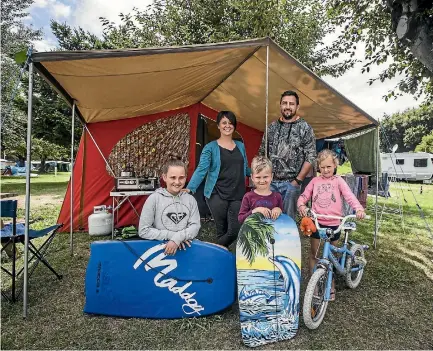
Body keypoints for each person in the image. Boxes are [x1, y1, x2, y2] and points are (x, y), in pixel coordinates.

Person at [297, 149, 366, 301]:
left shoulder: (339, 181)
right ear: (318, 167)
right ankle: (313, 284)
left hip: (335, 223)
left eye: (329, 167)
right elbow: (303, 196)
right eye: (322, 167)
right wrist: (302, 205)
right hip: (317, 222)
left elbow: (350, 197)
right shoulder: (314, 181)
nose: (326, 170)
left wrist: (359, 208)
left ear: (335, 165)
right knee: (314, 253)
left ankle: (331, 284)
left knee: (332, 256)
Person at [185, 111, 250, 248]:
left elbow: (245, 168)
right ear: (219, 126)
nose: (227, 125)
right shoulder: (210, 148)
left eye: (230, 123)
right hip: (216, 194)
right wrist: (190, 188)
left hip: (237, 194)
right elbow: (202, 169)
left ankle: (212, 251)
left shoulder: (240, 146)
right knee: (222, 231)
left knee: (234, 230)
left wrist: (260, 176)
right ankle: (222, 259)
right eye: (224, 123)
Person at [258, 90, 316, 220]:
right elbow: (262, 154)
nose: (288, 106)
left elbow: (311, 156)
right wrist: (264, 179)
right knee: (268, 219)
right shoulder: (271, 128)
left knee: (287, 221)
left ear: (297, 107)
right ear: (280, 105)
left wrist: (297, 181)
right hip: (271, 183)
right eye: (284, 103)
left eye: (291, 103)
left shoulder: (305, 128)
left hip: (291, 184)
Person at [138, 158, 200, 256]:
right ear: (164, 177)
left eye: (181, 177)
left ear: (186, 177)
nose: (177, 182)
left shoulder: (191, 200)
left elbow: (195, 227)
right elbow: (143, 231)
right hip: (160, 250)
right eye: (173, 177)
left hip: (186, 249)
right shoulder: (154, 199)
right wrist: (174, 237)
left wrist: (178, 238)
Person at [238, 156, 283, 223]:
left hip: (272, 232)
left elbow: (283, 220)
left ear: (271, 176)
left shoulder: (278, 197)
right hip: (253, 232)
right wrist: (255, 211)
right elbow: (241, 219)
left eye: (265, 177)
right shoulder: (248, 197)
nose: (262, 181)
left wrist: (279, 210)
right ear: (252, 177)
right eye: (258, 177)